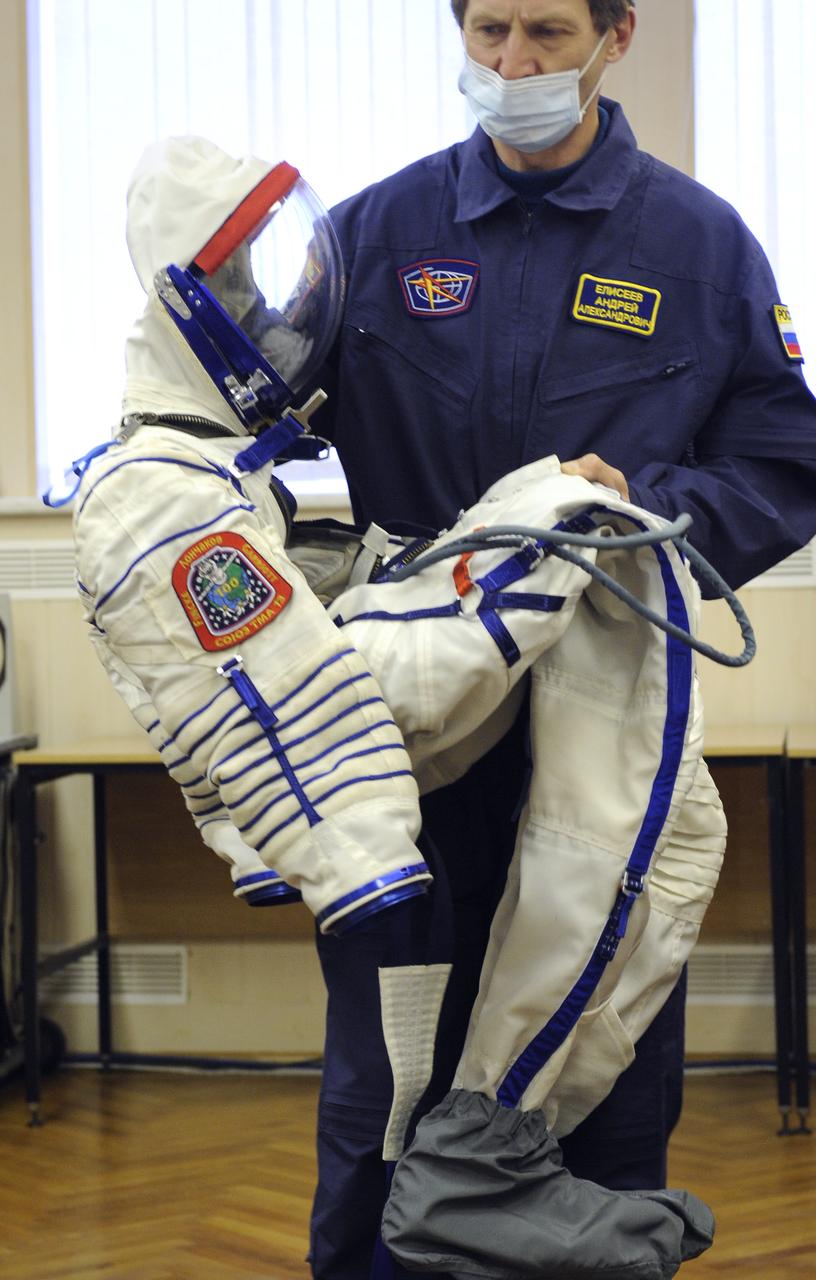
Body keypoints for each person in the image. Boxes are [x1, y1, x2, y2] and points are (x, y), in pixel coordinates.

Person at [307, 0, 816, 1275]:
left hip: (603, 726)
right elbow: (242, 422)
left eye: (544, 33)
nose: (513, 66)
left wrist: (633, 517)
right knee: (395, 1082)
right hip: (412, 744)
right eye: (489, 33)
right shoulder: (374, 233)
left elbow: (782, 458)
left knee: (600, 1079)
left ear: (615, 34)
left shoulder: (699, 248)